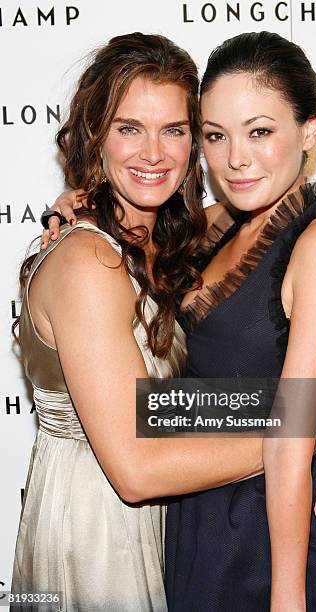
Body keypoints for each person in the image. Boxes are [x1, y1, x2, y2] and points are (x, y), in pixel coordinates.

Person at [39, 32, 316, 612]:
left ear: (309, 131)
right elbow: (186, 401)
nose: (236, 157)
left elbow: (304, 398)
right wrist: (298, 435)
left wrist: (307, 445)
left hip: (256, 536)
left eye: (260, 131)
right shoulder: (211, 230)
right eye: (216, 135)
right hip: (174, 520)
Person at [11, 33, 269, 612]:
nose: (153, 153)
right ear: (95, 136)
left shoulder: (168, 238)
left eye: (173, 130)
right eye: (129, 128)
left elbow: (273, 200)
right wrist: (292, 430)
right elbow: (135, 470)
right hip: (95, 534)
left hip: (163, 518)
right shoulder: (88, 259)